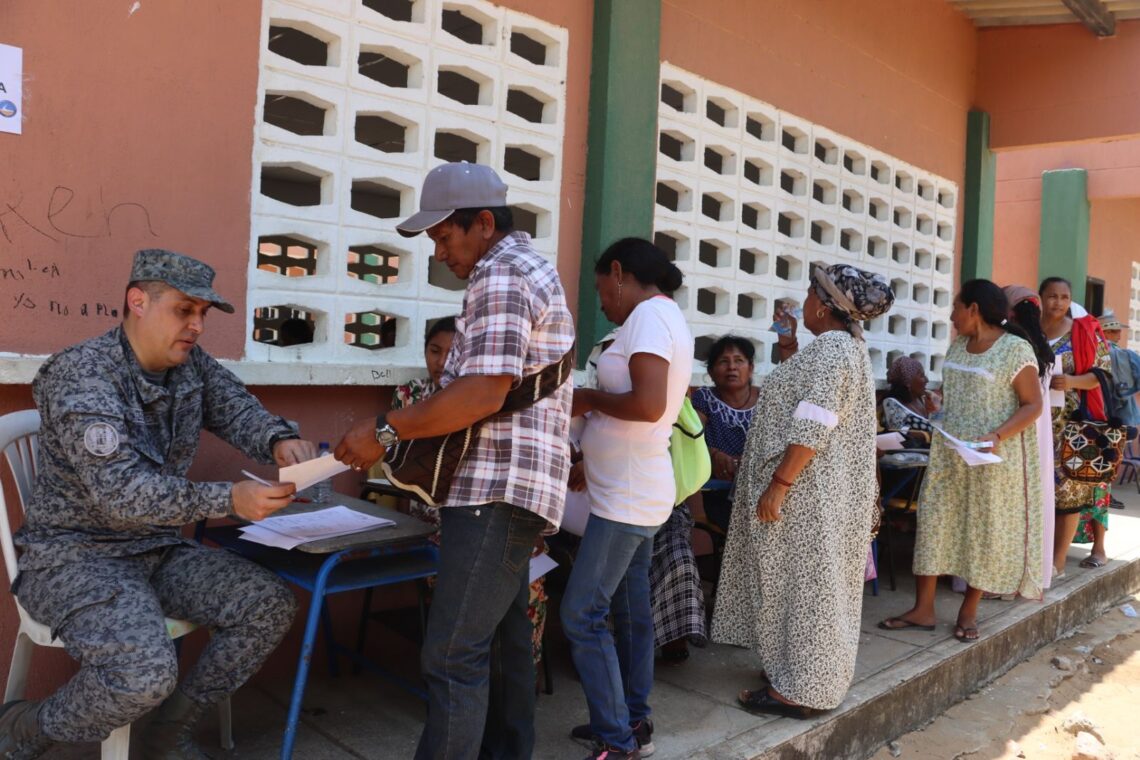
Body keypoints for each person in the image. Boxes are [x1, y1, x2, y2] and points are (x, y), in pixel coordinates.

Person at [1, 249, 313, 759]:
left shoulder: (189, 367)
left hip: (155, 549)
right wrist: (229, 500)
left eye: (202, 314)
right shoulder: (83, 375)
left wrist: (278, 439)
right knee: (142, 676)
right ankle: (27, 728)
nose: (195, 325)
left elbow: (236, 408)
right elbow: (122, 494)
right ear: (138, 301)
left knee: (267, 606)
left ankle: (168, 732)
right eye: (183, 310)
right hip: (75, 559)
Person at [334, 162, 574, 760]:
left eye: (444, 237)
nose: (440, 254)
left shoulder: (501, 274)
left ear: (483, 223)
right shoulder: (527, 268)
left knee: (450, 656)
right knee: (501, 645)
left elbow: (480, 393)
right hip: (517, 490)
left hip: (495, 490)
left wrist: (384, 431)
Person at [712, 263, 893, 718]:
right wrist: (789, 343)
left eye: (810, 294)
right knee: (805, 587)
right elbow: (805, 395)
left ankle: (803, 690)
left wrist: (779, 484)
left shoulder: (833, 349)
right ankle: (796, 672)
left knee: (811, 590)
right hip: (814, 494)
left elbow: (815, 420)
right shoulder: (839, 347)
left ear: (825, 304)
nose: (805, 301)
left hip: (807, 496)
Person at [562, 237, 692, 760]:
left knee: (581, 614)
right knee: (630, 612)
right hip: (628, 488)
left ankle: (617, 741)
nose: (602, 301)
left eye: (601, 288)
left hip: (628, 497)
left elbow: (646, 403)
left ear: (619, 272)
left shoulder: (649, 319)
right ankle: (631, 722)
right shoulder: (658, 319)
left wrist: (586, 399)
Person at [881, 280, 1045, 642]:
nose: (952, 316)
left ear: (973, 309)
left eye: (956, 307)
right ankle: (923, 609)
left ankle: (968, 612)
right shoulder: (957, 346)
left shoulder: (1015, 351)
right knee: (935, 523)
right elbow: (956, 391)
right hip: (950, 453)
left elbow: (1034, 405)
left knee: (980, 531)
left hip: (989, 458)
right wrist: (939, 401)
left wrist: (997, 435)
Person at [1039, 277, 1112, 574]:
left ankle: (1057, 562)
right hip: (1033, 422)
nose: (1057, 302)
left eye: (1064, 297)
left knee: (1068, 492)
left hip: (1072, 426)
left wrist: (1071, 381)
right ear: (1041, 297)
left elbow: (1102, 375)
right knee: (1035, 490)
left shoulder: (1083, 332)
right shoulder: (1028, 330)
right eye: (1052, 296)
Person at [1004, 284, 1059, 589]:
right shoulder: (1043, 348)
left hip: (1014, 428)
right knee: (1030, 504)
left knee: (1009, 505)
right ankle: (1027, 572)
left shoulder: (1012, 347)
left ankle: (1003, 576)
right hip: (1037, 434)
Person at [690, 336, 759, 531]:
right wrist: (713, 455)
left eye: (739, 361)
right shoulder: (704, 398)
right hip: (717, 490)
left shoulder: (765, 398)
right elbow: (692, 438)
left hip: (758, 487)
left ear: (751, 368)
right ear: (711, 372)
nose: (731, 367)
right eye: (723, 361)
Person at [880, 356, 939, 439]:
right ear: (908, 381)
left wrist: (936, 411)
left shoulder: (923, 400)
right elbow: (899, 433)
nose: (926, 380)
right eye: (922, 375)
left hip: (931, 449)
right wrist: (928, 436)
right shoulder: (891, 403)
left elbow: (942, 427)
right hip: (911, 450)